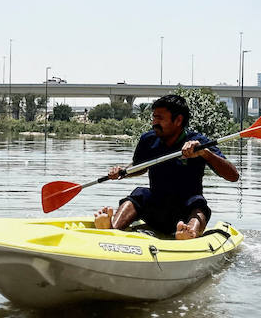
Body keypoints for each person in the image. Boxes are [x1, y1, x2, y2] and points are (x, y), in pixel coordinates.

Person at [94, 94, 239, 239]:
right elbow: (140, 167)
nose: (154, 123)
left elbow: (233, 176)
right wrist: (123, 172)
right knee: (140, 194)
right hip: (155, 209)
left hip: (185, 211)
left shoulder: (199, 142)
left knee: (199, 204)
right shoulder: (148, 140)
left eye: (160, 118)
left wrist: (205, 153)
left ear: (178, 120)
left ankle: (188, 233)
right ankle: (112, 227)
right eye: (154, 117)